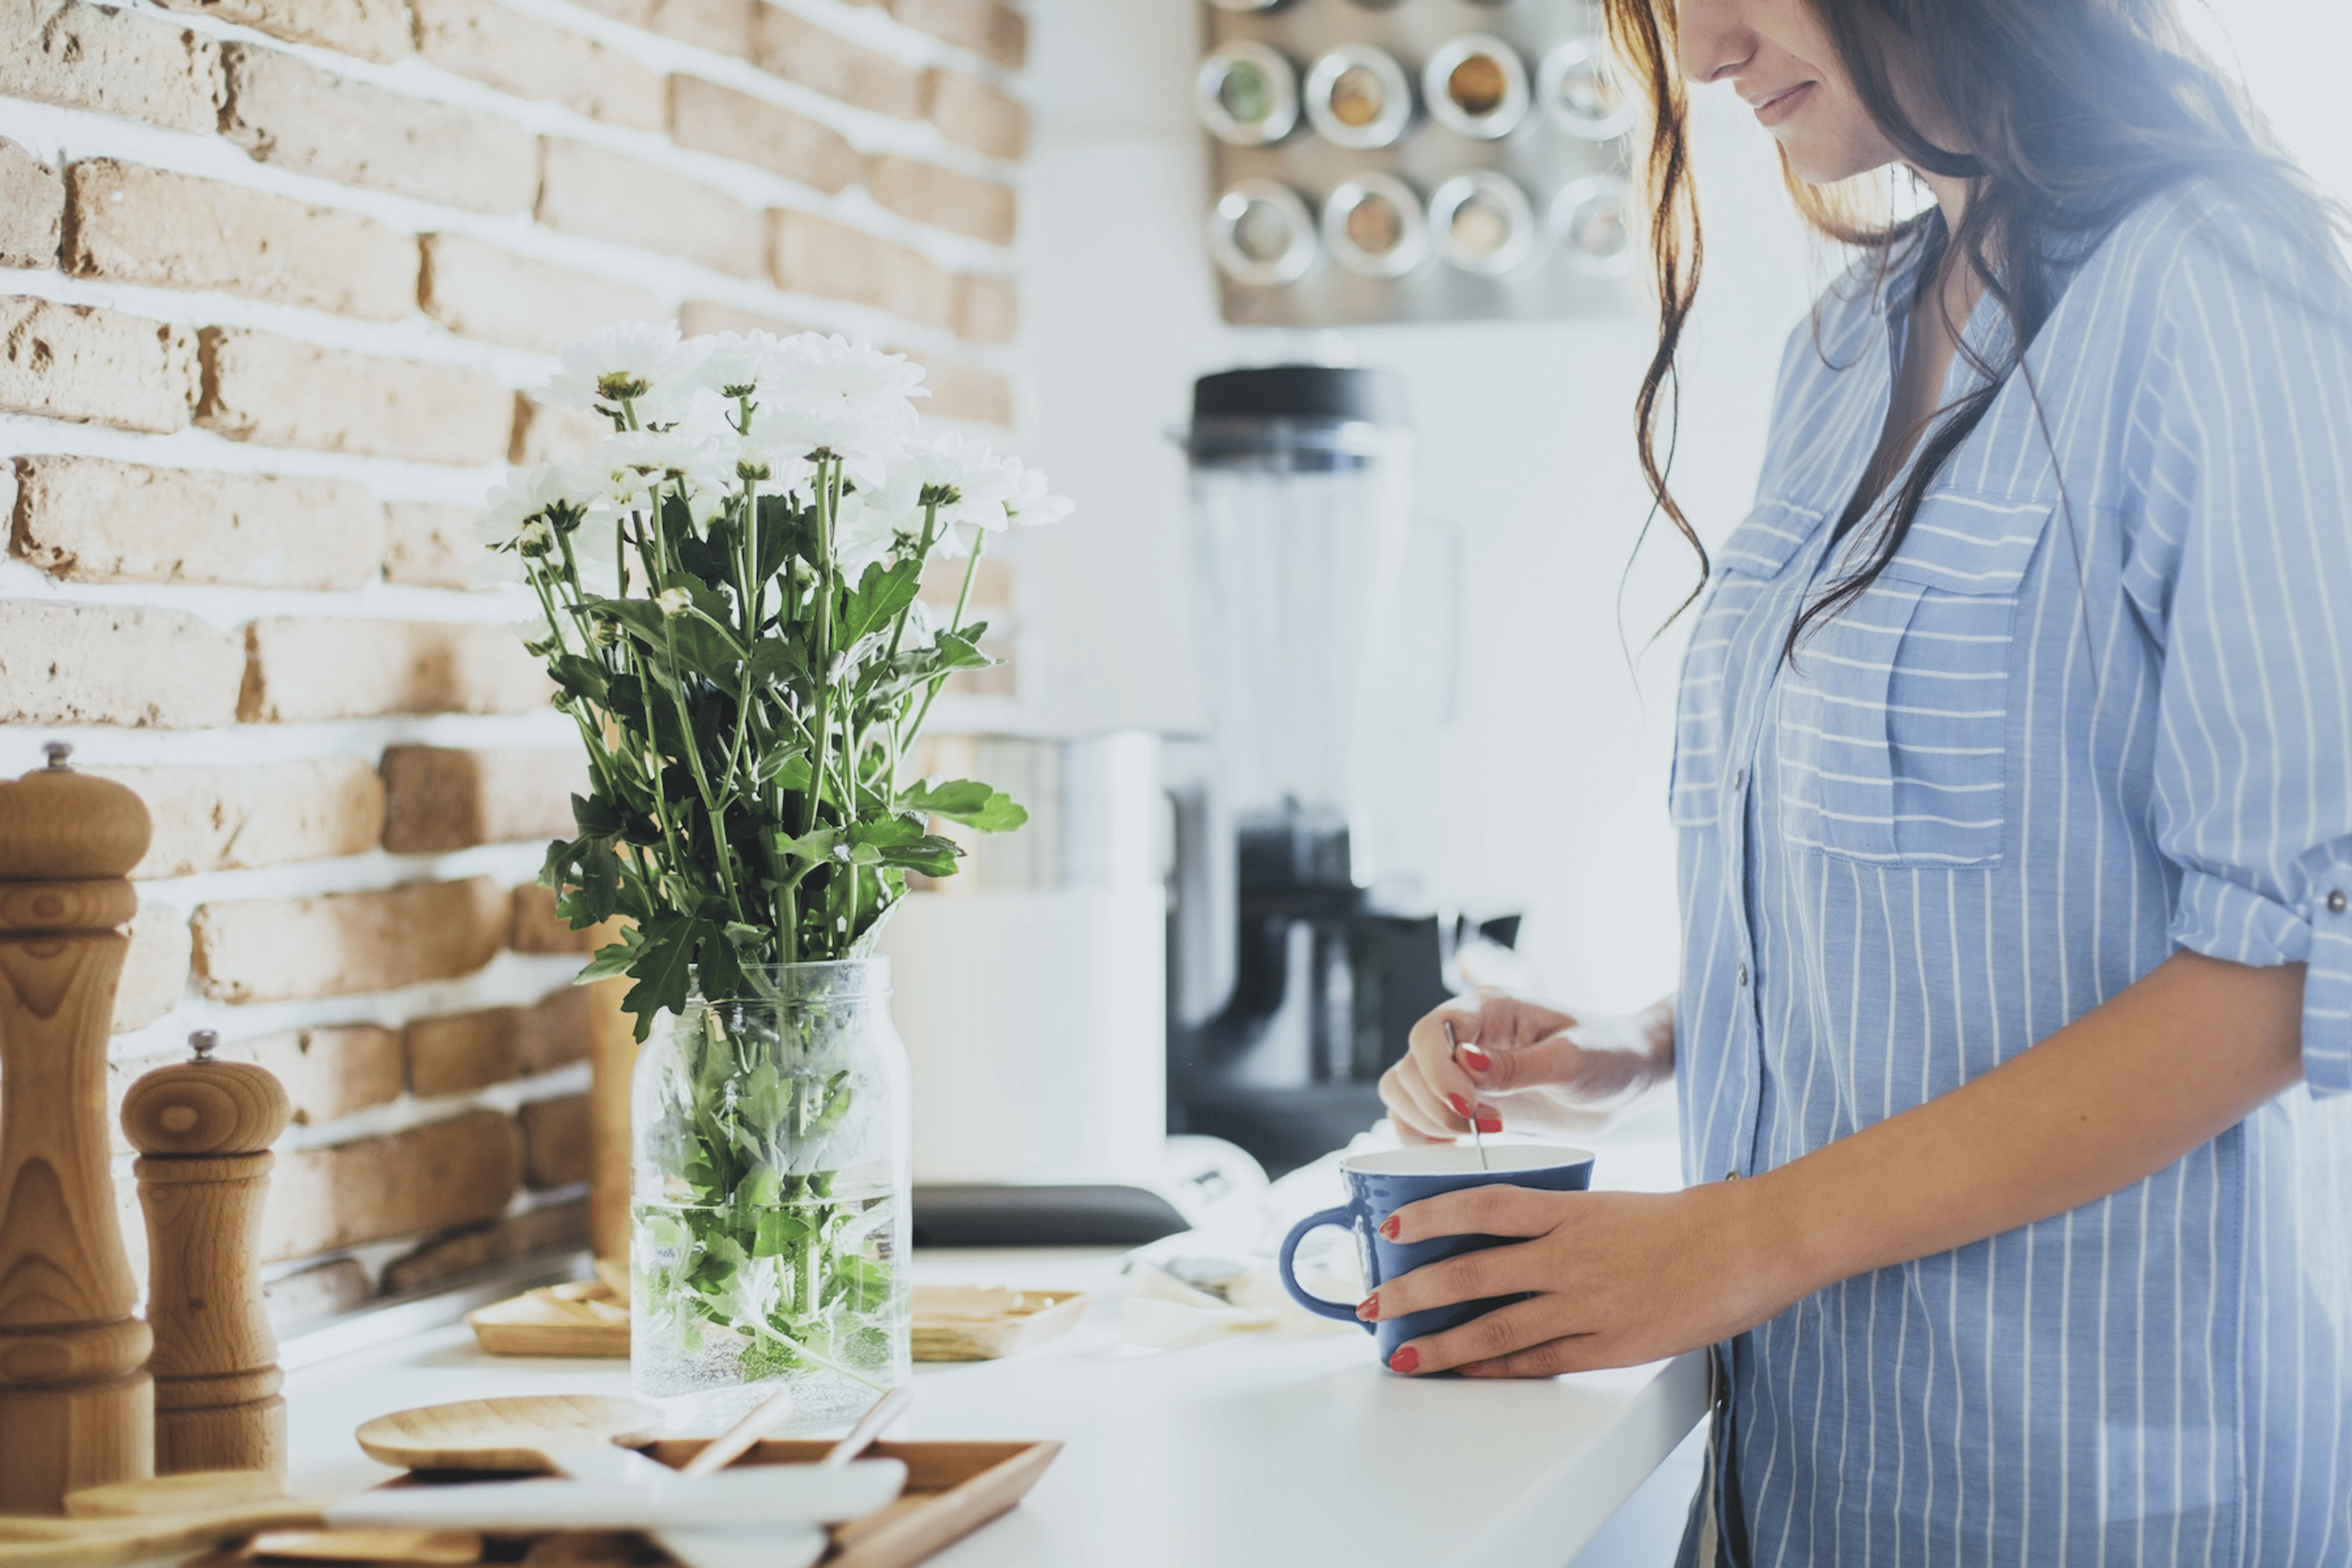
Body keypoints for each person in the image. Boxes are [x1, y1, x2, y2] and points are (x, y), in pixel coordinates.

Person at [1371, 1, 2352, 1562]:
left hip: (2105, 1483)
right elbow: (1971, 887)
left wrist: (1738, 1239)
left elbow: (2286, 968)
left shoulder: (2221, 281)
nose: (1698, 51)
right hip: (1819, 1466)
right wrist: (1641, 1043)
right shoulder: (1847, 335)